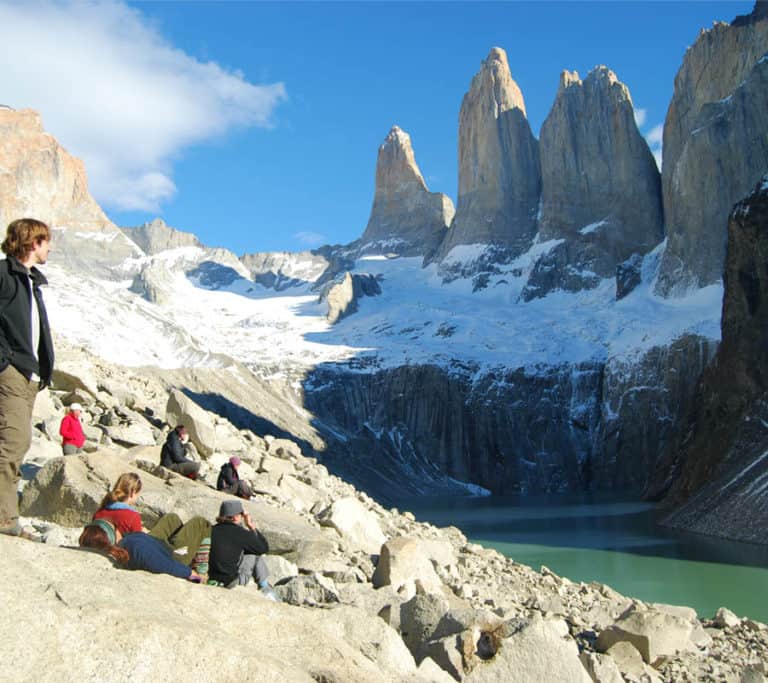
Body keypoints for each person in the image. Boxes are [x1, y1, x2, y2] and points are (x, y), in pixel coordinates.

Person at [0, 218, 54, 540]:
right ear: (33, 242)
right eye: (46, 242)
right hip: (11, 372)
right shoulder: (4, 275)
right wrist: (3, 361)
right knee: (14, 443)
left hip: (28, 377)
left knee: (15, 444)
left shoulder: (32, 282)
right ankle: (5, 519)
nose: (49, 248)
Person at [79, 512, 211, 581]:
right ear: (112, 534)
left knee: (172, 518)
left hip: (155, 543)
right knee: (200, 523)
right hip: (172, 556)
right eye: (115, 526)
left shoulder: (126, 543)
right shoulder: (133, 547)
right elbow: (164, 565)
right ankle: (202, 568)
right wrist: (191, 574)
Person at [209, 499, 279, 600]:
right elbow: (263, 548)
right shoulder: (241, 533)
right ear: (236, 517)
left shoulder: (212, 530)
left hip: (211, 578)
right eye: (241, 515)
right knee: (255, 554)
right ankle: (265, 587)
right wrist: (251, 525)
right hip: (231, 583)